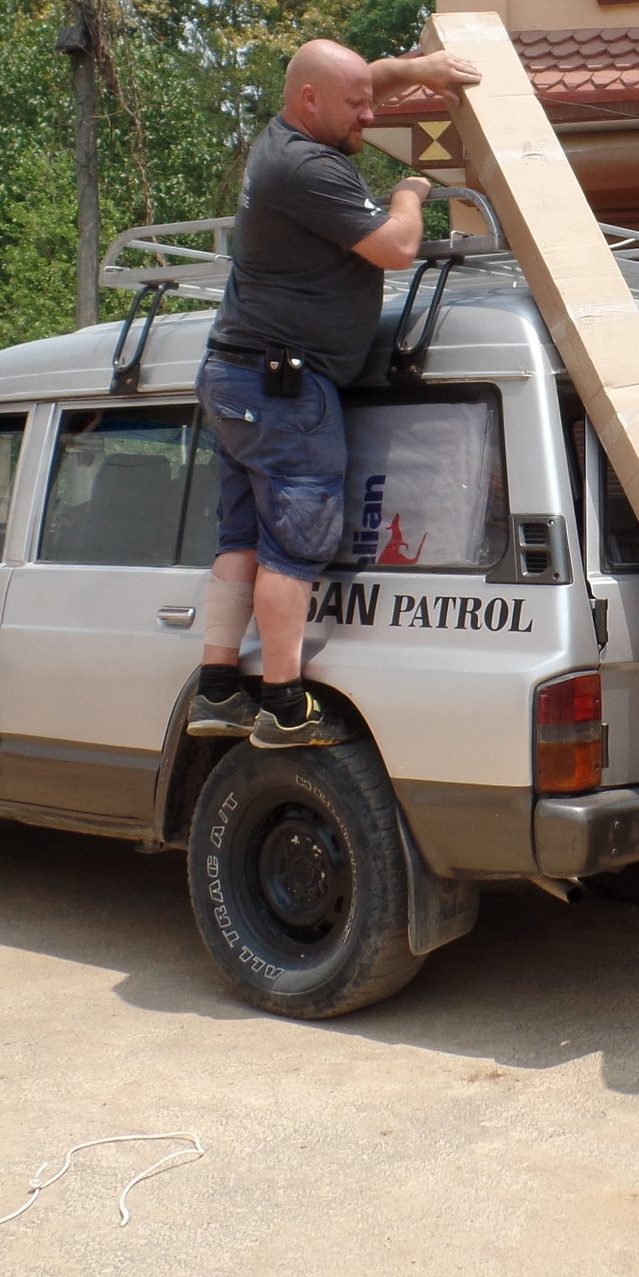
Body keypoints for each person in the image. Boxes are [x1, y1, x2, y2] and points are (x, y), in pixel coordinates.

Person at [186, 38, 481, 746]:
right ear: (310, 99)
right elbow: (396, 248)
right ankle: (283, 704)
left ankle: (218, 688)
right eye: (357, 107)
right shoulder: (307, 166)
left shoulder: (288, 128)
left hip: (236, 377)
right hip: (285, 385)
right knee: (296, 541)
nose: (370, 117)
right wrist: (410, 191)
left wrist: (418, 71)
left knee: (244, 539)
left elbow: (358, 80)